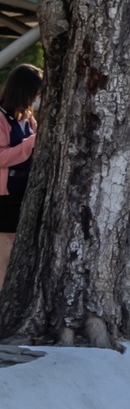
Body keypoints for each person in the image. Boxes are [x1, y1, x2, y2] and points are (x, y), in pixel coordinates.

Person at [0, 63, 40, 289]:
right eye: (34, 93)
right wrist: (29, 143)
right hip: (5, 199)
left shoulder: (27, 118)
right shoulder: (1, 118)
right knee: (4, 258)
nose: (36, 99)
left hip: (25, 195)